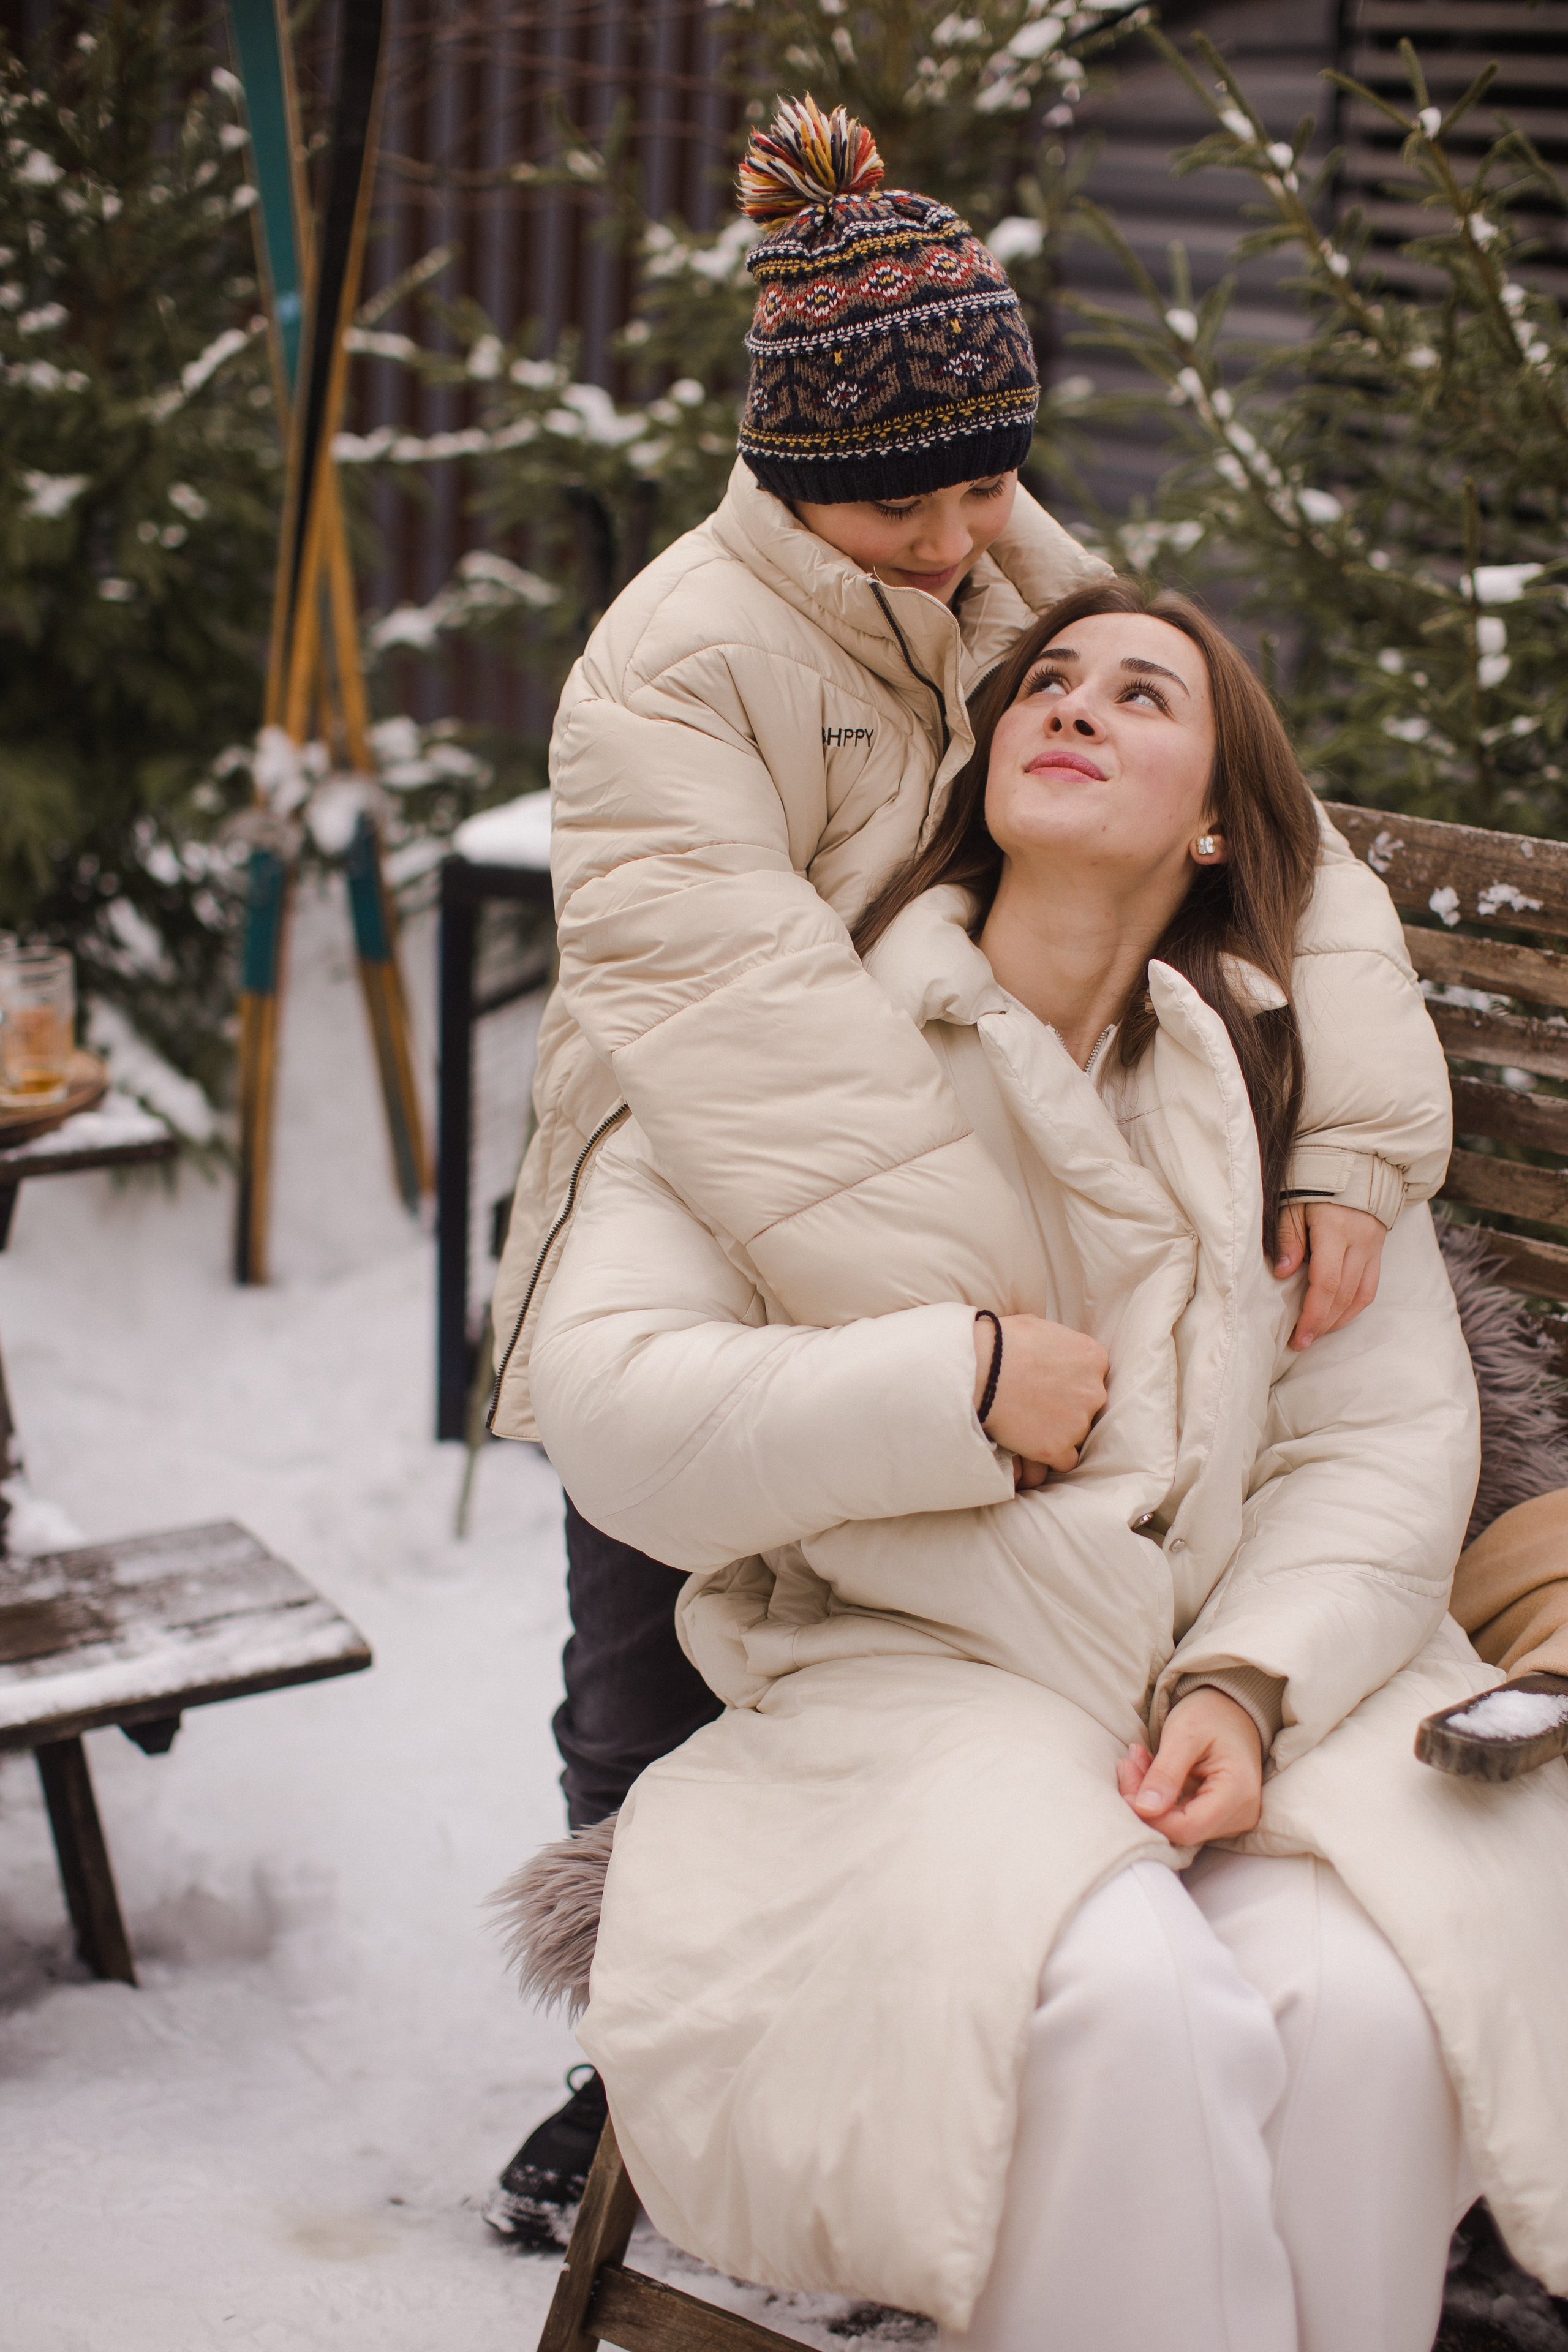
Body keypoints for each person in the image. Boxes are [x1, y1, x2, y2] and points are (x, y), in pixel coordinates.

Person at [481, 96, 1467, 2238]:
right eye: (906, 511)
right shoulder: (675, 665)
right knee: (648, 1644)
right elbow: (749, 1030)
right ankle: (640, 2035)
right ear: (796, 482)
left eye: (990, 484)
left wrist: (1365, 1143)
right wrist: (983, 1334)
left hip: (976, 1130)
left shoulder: (1027, 576)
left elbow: (1312, 880)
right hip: (719, 1166)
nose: (961, 543)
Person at [526, 583, 1568, 2351]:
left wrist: (1249, 1680)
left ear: (1224, 816)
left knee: (1371, 2003)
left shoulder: (1293, 1100)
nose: (1073, 705)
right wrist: (954, 1382)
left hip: (1249, 1692)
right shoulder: (786, 1057)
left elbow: (1379, 1443)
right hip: (919, 1676)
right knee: (1116, 2002)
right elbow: (612, 1399)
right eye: (1048, 683)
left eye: (1141, 693)